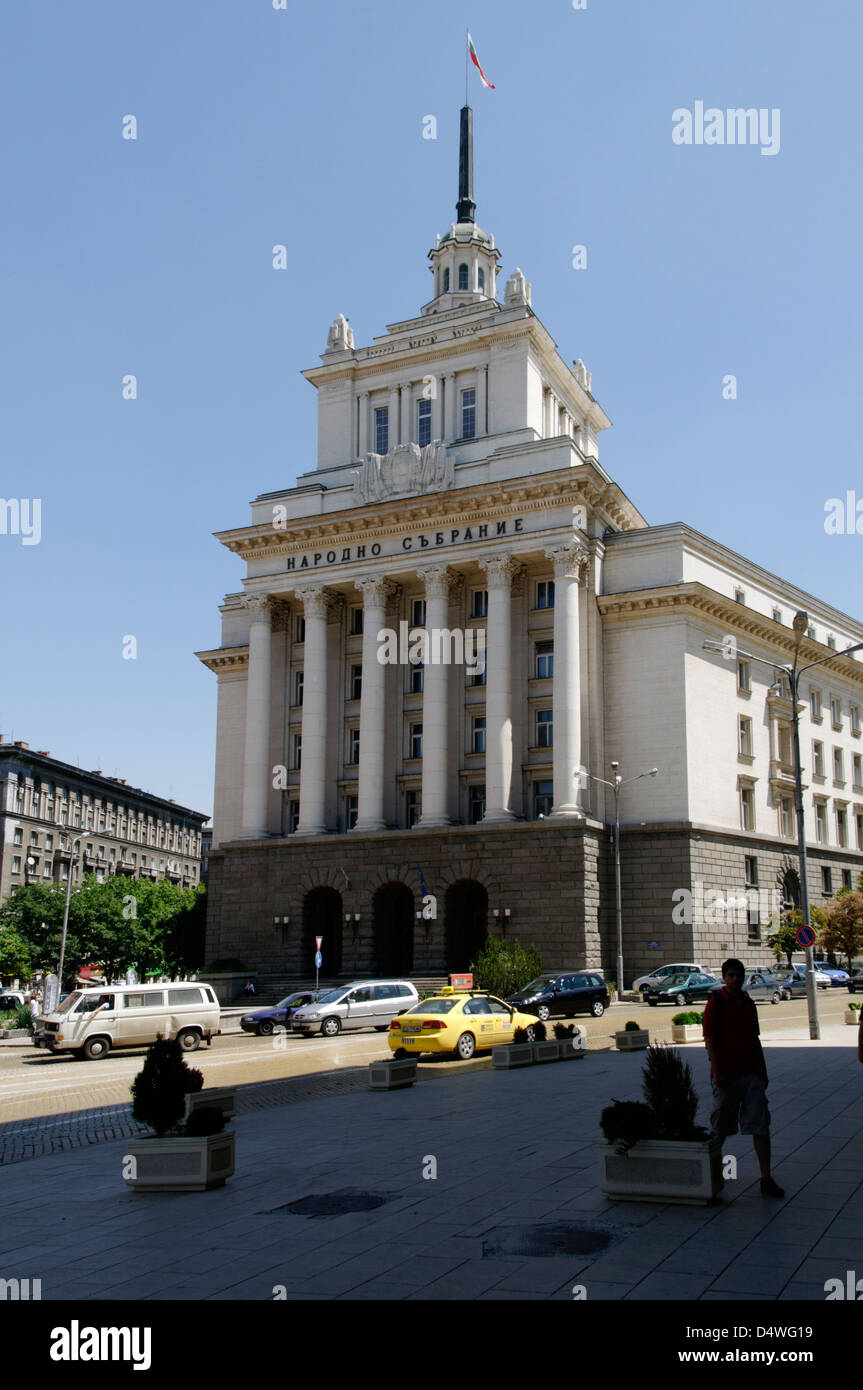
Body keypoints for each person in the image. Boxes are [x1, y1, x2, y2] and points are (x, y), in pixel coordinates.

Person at [702, 957, 784, 1198]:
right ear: (724, 977)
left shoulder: (748, 1004)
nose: (735, 979)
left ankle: (766, 1177)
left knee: (760, 1125)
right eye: (731, 975)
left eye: (739, 975)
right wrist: (718, 1072)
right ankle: (711, 1175)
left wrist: (763, 1071)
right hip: (726, 1076)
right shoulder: (716, 1002)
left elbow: (754, 1039)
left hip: (751, 1074)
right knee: (720, 1128)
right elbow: (709, 1040)